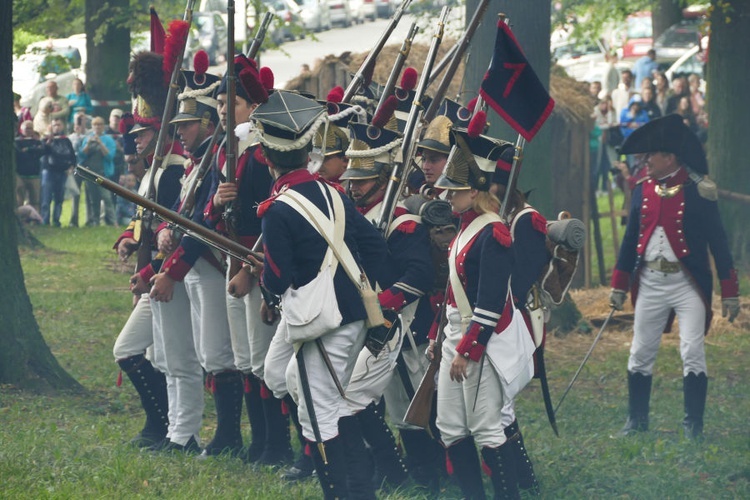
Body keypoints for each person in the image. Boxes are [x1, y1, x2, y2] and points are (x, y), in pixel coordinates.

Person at [255, 90, 388, 499]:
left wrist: (265, 286)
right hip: (350, 314)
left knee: (319, 417)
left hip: (321, 321)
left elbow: (279, 277)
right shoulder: (334, 193)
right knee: (330, 407)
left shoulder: (277, 210)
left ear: (267, 154)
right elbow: (375, 248)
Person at [609, 114, 740, 440]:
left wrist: (730, 290)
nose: (645, 161)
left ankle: (692, 424)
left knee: (692, 350)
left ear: (669, 157)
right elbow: (630, 240)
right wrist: (619, 285)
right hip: (650, 282)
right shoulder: (642, 189)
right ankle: (636, 420)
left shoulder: (699, 190)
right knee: (640, 352)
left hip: (687, 285)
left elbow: (718, 241)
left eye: (651, 155)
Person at [338, 121, 437, 491]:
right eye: (351, 179)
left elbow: (418, 277)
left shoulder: (402, 223)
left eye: (361, 180)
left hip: (404, 325)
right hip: (375, 326)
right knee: (389, 407)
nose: (353, 186)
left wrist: (379, 305)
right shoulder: (361, 219)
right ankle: (393, 472)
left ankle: (428, 477)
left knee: (412, 408)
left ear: (383, 179)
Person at [204, 55, 288, 463]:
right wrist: (218, 202)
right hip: (232, 262)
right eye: (220, 103)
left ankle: (276, 445)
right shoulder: (226, 152)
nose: (223, 109)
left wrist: (251, 266)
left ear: (252, 108)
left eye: (231, 103)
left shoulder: (260, 154)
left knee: (262, 360)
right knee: (245, 360)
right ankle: (259, 443)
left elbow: (274, 215)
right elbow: (208, 215)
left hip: (256, 264)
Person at [426, 128, 518, 500]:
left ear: (476, 191)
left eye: (457, 189)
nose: (449, 195)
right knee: (450, 426)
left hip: (481, 340)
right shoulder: (465, 228)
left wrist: (467, 350)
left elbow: (490, 303)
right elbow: (452, 293)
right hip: (454, 336)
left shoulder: (493, 233)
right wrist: (439, 338)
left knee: (486, 428)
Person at [112, 47, 186, 451]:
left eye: (142, 133)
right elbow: (144, 220)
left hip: (165, 272)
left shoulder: (173, 173)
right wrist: (128, 236)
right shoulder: (157, 172)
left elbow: (170, 229)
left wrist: (150, 269)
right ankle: (161, 425)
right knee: (154, 356)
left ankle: (166, 426)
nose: (136, 138)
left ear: (159, 132)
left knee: (146, 353)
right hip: (154, 272)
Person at [79, 116, 117, 225]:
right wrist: (88, 144)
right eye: (95, 125)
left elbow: (110, 156)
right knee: (93, 199)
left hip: (103, 173)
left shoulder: (108, 139)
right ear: (92, 126)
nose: (97, 127)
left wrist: (100, 143)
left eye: (99, 125)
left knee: (107, 198)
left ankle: (113, 222)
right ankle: (95, 222)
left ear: (103, 126)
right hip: (90, 173)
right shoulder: (87, 138)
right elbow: (82, 155)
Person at [40, 117, 77, 226]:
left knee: (59, 198)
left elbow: (72, 156)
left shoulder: (66, 140)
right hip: (49, 172)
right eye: (54, 125)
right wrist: (48, 142)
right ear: (50, 127)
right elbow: (43, 152)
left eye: (59, 125)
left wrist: (71, 167)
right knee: (46, 198)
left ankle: (56, 220)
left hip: (62, 173)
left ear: (62, 126)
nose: (56, 127)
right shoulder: (45, 139)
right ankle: (45, 221)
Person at [15, 120, 45, 213]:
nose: (28, 130)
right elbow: (19, 153)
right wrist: (33, 151)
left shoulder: (37, 142)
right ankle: (20, 219)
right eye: (26, 128)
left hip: (34, 175)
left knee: (35, 200)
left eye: (30, 128)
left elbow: (42, 150)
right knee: (19, 200)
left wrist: (28, 149)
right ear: (21, 129)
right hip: (20, 175)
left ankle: (35, 219)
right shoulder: (17, 141)